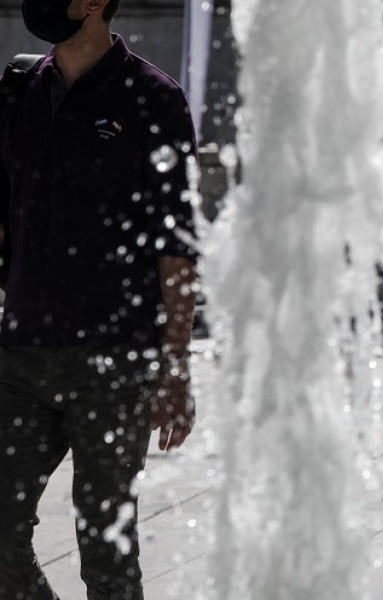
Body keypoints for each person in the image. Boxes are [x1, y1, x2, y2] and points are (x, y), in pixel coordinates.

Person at [0, 0, 198, 598]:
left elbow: (177, 245)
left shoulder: (154, 99)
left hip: (113, 367)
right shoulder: (15, 89)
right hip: (20, 358)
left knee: (106, 552)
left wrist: (176, 367)